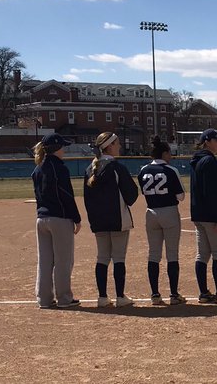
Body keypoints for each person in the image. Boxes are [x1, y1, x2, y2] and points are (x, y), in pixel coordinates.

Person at [82, 132, 139, 308]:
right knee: (119, 258)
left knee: (102, 258)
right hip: (117, 220)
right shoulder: (117, 168)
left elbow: (87, 199)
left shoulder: (90, 169)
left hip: (98, 221)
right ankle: (120, 296)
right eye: (117, 143)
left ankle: (102, 297)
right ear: (109, 147)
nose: (119, 146)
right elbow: (131, 194)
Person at [32, 133, 82, 309]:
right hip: (59, 219)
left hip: (41, 218)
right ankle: (64, 298)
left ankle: (44, 299)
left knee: (45, 260)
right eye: (63, 146)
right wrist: (76, 218)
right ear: (56, 148)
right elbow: (67, 195)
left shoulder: (37, 169)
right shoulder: (59, 168)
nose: (65, 150)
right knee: (63, 260)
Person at [138, 136, 187, 305]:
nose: (171, 156)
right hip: (169, 212)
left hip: (151, 213)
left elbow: (144, 193)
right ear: (164, 153)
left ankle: (155, 295)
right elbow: (180, 197)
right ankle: (174, 295)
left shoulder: (143, 170)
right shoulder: (171, 170)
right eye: (169, 153)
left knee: (153, 255)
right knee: (172, 254)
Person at [191, 128, 217, 304]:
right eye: (216, 140)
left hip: (198, 214)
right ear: (207, 141)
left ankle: (203, 293)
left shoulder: (197, 160)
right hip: (210, 215)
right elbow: (212, 192)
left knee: (202, 254)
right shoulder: (209, 161)